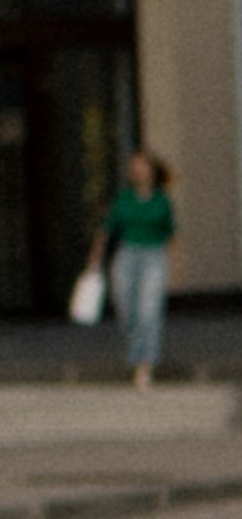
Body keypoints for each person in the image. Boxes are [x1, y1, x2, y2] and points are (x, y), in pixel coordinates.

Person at [90, 150, 176, 388]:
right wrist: (95, 258)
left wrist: (175, 264)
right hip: (127, 255)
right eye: (134, 166)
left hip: (153, 255)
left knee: (148, 309)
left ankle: (145, 363)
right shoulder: (124, 199)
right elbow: (106, 228)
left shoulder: (162, 200)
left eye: (142, 166)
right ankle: (137, 352)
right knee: (126, 306)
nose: (138, 170)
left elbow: (170, 233)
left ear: (152, 170)